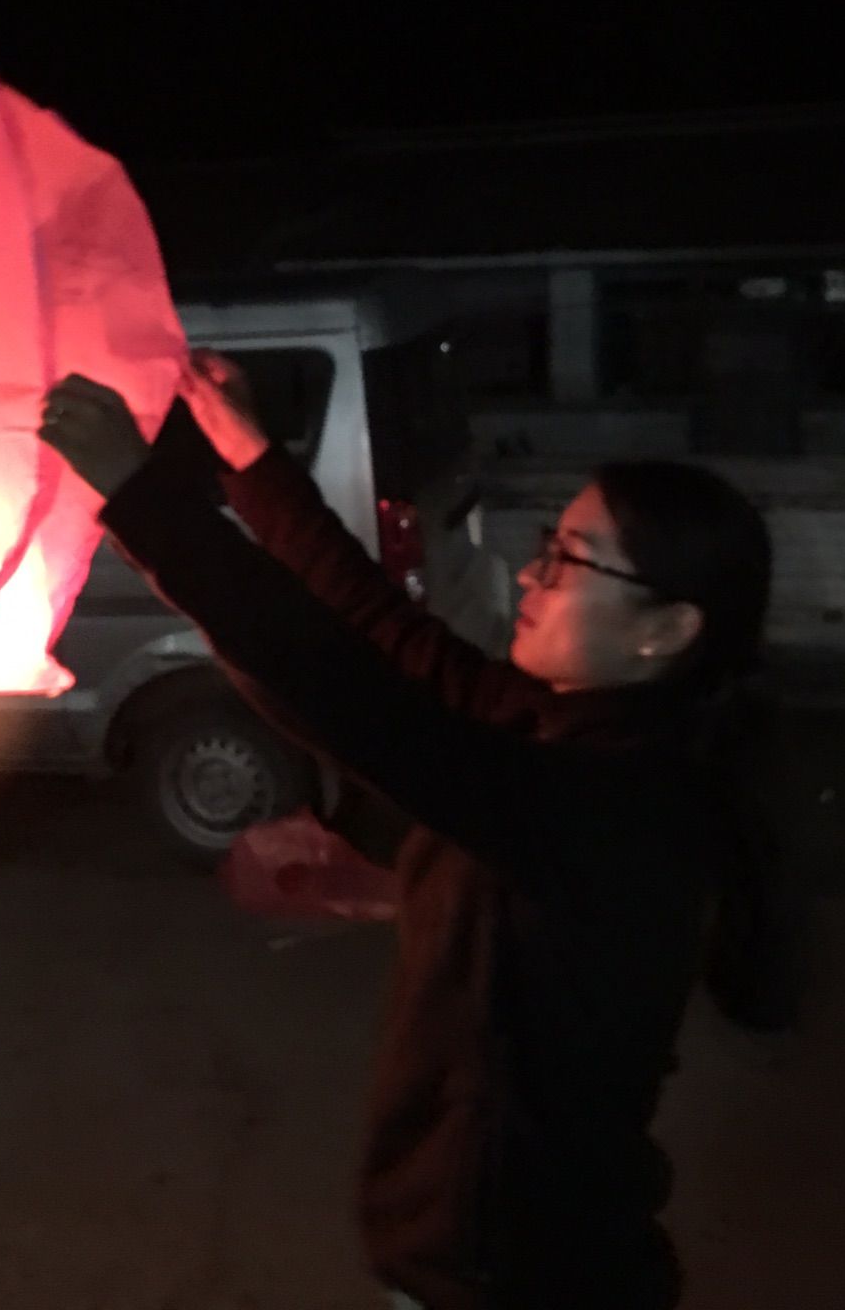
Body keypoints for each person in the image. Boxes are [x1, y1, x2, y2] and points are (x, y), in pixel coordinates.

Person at [40, 354, 801, 1310]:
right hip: (486, 1251)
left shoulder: (617, 793)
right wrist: (254, 460)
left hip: (514, 1272)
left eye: (569, 560)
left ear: (666, 630)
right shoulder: (555, 724)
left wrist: (149, 501)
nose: (530, 570)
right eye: (547, 543)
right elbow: (376, 626)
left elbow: (346, 693)